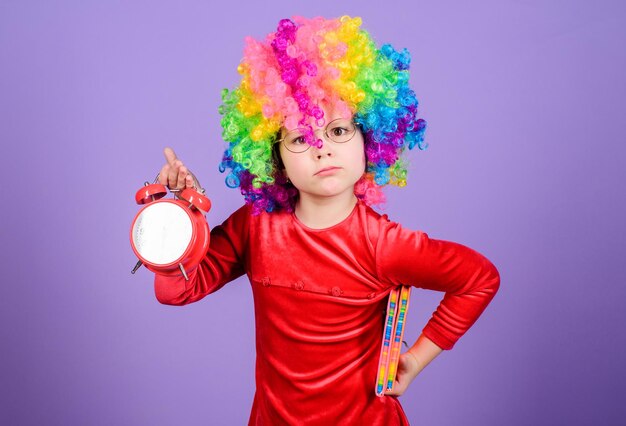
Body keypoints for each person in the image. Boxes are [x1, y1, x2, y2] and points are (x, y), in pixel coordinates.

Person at [153, 16, 500, 425]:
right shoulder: (256, 226)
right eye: (301, 138)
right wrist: (178, 211)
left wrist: (416, 360)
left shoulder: (382, 244)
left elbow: (480, 278)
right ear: (273, 155)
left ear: (370, 140)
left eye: (338, 131)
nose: (322, 149)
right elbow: (176, 290)